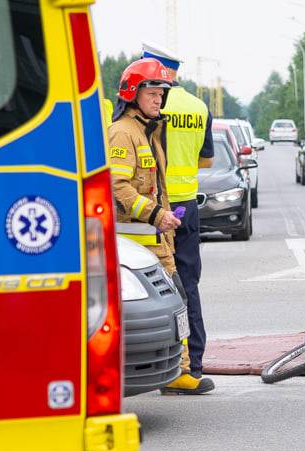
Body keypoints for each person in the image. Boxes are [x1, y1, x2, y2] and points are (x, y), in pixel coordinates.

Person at [107, 58, 214, 395]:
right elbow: (117, 186)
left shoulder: (149, 131)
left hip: (158, 241)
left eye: (161, 94)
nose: (158, 99)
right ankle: (170, 373)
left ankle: (178, 371)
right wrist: (155, 215)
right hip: (136, 245)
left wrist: (163, 221)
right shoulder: (124, 132)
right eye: (152, 93)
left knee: (178, 304)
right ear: (132, 94)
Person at [141, 42, 216, 395]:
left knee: (152, 286)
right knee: (189, 284)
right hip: (187, 204)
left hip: (153, 209)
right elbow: (207, 161)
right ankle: (194, 363)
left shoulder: (149, 107)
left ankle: (161, 363)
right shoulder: (199, 107)